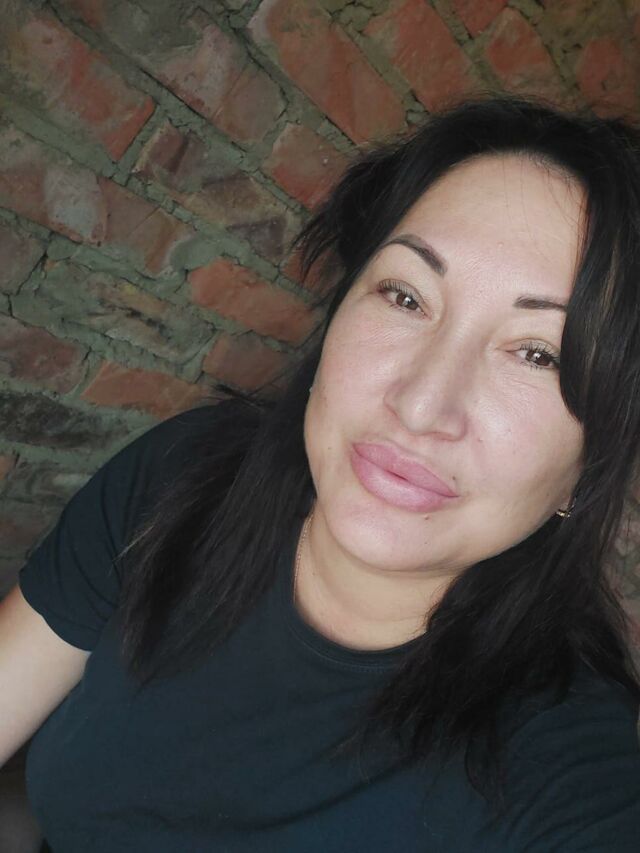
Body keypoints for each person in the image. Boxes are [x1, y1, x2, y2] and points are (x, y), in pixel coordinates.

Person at [1, 93, 640, 853]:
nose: (421, 404)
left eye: (539, 354)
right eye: (405, 295)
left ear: (587, 469)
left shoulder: (563, 768)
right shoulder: (185, 477)